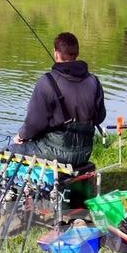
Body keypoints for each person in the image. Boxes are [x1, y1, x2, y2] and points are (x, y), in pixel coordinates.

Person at [10, 32, 106, 167]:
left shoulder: (46, 82)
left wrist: (20, 136)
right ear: (76, 53)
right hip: (84, 152)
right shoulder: (94, 81)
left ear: (56, 53)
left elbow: (34, 124)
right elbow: (100, 117)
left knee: (11, 150)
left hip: (55, 153)